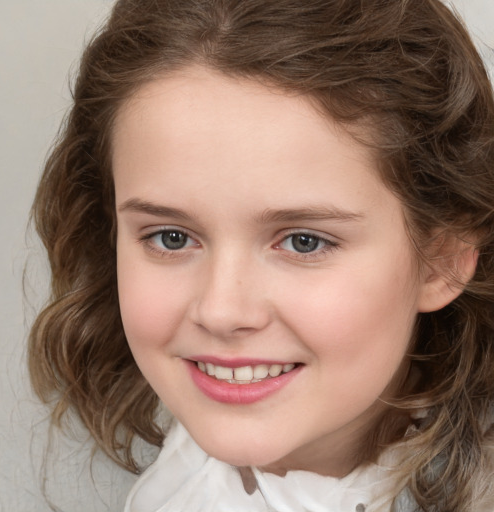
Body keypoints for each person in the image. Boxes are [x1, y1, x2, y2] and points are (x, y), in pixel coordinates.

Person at [28, 0, 494, 510]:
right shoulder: (175, 483)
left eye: (304, 242)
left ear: (443, 257)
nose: (222, 311)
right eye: (171, 237)